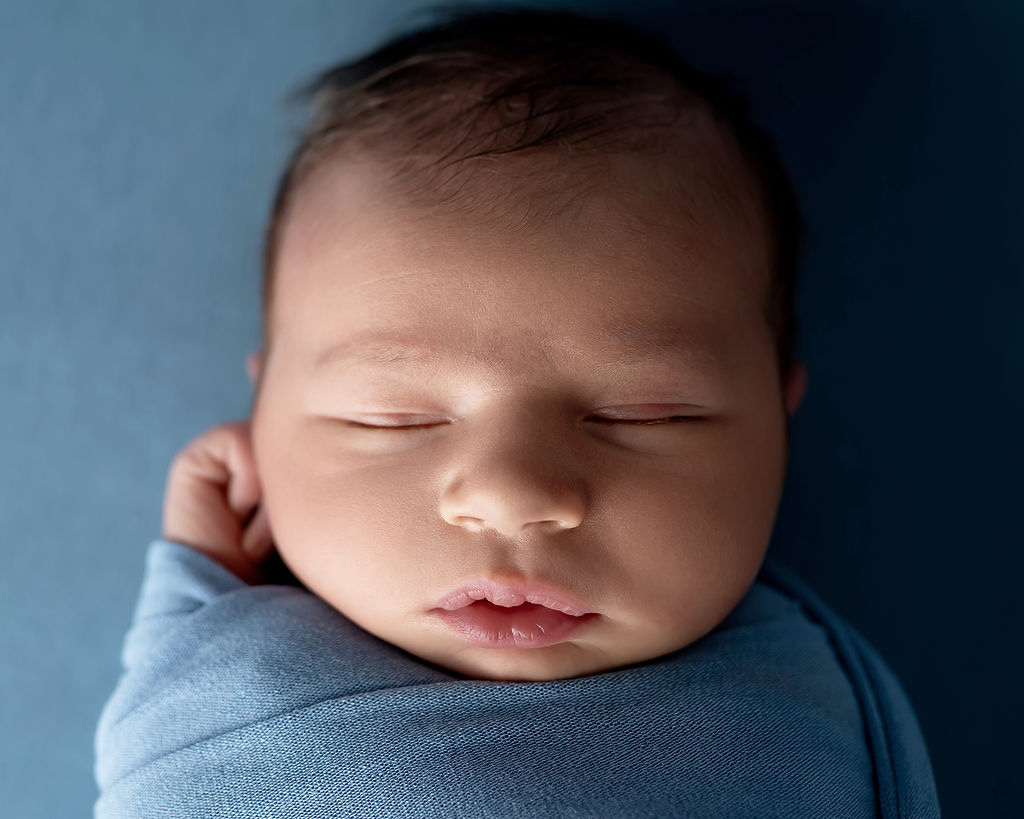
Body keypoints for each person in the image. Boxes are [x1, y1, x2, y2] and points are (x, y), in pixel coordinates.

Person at [94, 6, 940, 817]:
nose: (511, 492)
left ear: (779, 423)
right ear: (262, 411)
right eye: (392, 417)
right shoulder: (228, 683)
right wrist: (198, 592)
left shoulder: (799, 707)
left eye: (644, 413)